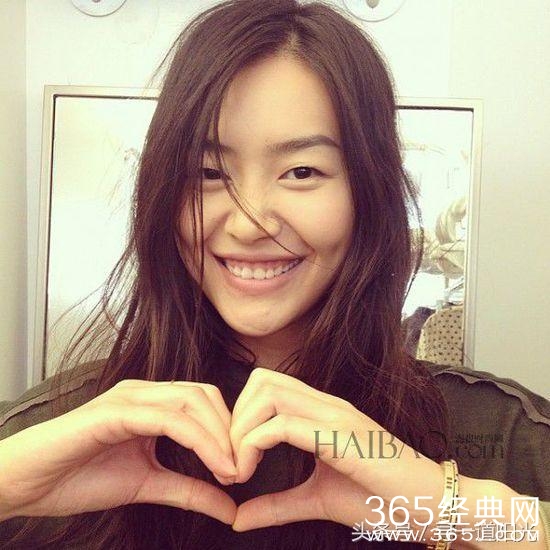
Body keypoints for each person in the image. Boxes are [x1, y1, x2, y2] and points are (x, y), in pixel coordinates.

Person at [0, 1, 549, 548]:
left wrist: (448, 508)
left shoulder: (499, 434)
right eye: (208, 172)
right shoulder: (53, 433)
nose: (249, 224)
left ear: (369, 193)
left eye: (302, 171)